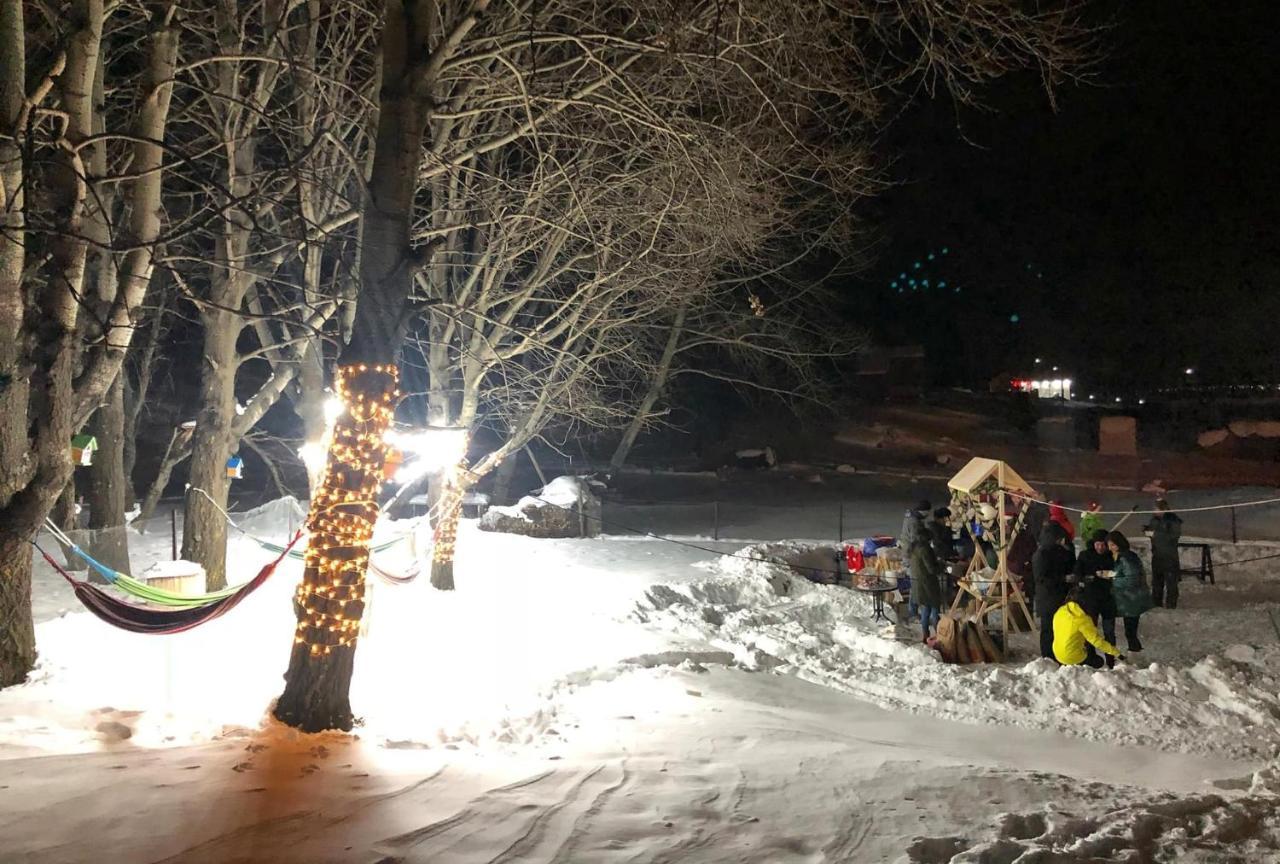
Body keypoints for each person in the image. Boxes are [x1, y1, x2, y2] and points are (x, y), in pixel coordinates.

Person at [1074, 528, 1118, 667]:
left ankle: (1111, 660)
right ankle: (1091, 658)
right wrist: (1086, 578)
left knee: (1109, 631)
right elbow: (1077, 572)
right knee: (1090, 631)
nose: (1100, 547)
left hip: (1107, 599)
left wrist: (1108, 575)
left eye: (1103, 544)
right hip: (1090, 599)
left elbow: (1118, 573)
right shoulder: (1085, 555)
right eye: (1097, 544)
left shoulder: (1112, 556)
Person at [1053, 586, 1124, 668]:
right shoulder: (1082, 619)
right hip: (1071, 657)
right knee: (1099, 661)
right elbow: (1096, 641)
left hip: (1057, 653)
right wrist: (1116, 653)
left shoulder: (1060, 611)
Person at [1107, 530, 1154, 651]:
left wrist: (1112, 580)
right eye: (1109, 544)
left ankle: (1135, 652)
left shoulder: (1127, 558)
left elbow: (1132, 579)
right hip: (1125, 599)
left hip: (1132, 599)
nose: (1110, 547)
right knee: (1129, 629)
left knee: (1130, 631)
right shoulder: (1117, 556)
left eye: (1113, 544)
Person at [1032, 522, 1073, 659]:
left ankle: (1059, 654)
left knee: (1060, 628)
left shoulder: (1061, 551)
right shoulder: (1041, 554)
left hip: (1060, 596)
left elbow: (1070, 565)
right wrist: (1063, 579)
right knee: (1048, 629)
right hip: (1048, 597)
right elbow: (1041, 578)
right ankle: (1048, 657)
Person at [909, 522, 944, 644]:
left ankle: (925, 635)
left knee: (925, 609)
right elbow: (931, 568)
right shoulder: (925, 549)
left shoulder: (914, 548)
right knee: (934, 609)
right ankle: (939, 634)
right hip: (928, 584)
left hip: (918, 583)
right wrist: (941, 565)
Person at [1145, 499, 1184, 609]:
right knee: (1157, 581)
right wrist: (1147, 530)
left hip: (1169, 555)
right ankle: (1156, 603)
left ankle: (1171, 604)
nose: (1154, 511)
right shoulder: (1155, 520)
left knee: (1171, 582)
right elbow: (1152, 530)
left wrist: (1156, 534)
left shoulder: (1172, 520)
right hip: (1157, 554)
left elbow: (1173, 536)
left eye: (1156, 509)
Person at [900, 499, 930, 620]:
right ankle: (913, 611)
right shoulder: (914, 522)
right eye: (927, 512)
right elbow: (915, 540)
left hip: (908, 554)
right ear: (923, 511)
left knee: (915, 584)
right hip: (912, 556)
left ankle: (914, 609)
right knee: (916, 584)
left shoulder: (911, 517)